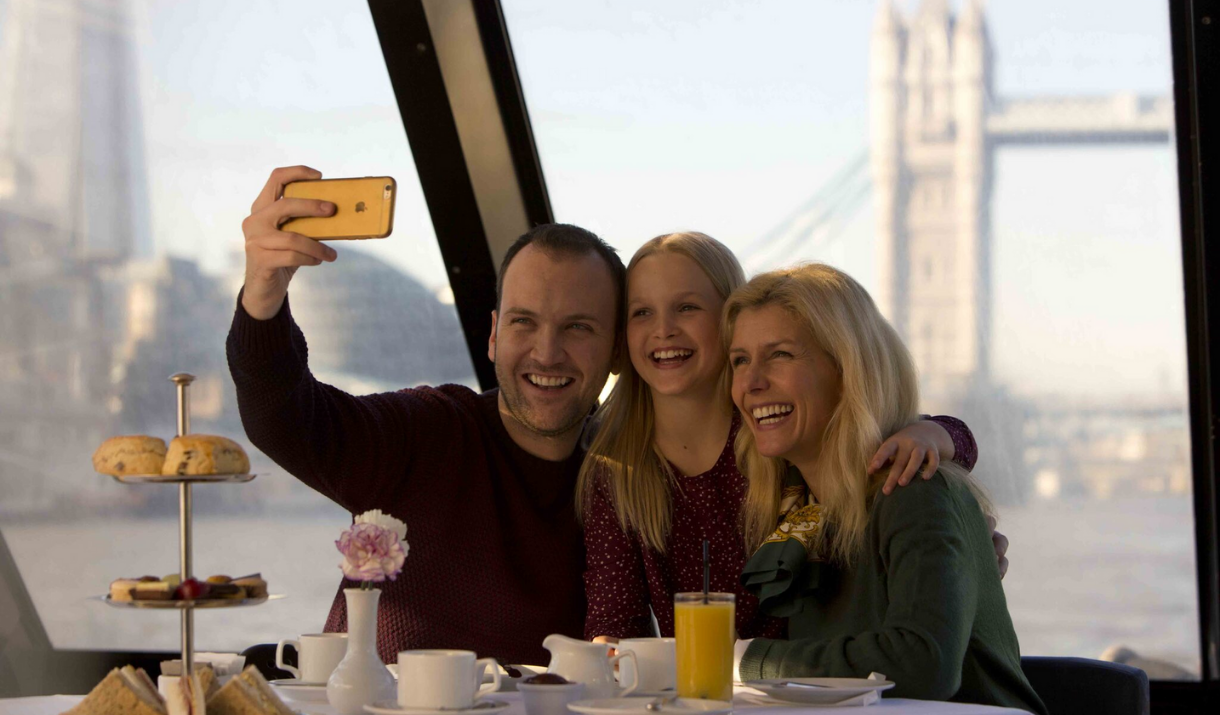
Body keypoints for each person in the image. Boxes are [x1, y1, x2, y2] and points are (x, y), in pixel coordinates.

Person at [227, 166, 625, 665]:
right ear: (494, 334)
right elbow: (283, 417)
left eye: (579, 327)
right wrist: (264, 291)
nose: (547, 353)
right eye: (525, 322)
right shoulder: (427, 433)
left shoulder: (629, 490)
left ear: (616, 351)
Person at [578, 233, 983, 643]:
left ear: (729, 322)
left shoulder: (775, 428)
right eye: (641, 312)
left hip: (820, 683)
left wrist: (933, 435)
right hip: (712, 692)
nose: (663, 329)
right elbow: (615, 623)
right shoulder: (617, 472)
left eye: (687, 307)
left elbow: (890, 434)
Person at [726, 263, 1046, 713]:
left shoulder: (915, 489)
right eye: (740, 360)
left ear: (848, 369)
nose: (751, 383)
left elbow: (922, 664)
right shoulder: (803, 514)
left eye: (779, 355)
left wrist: (744, 660)